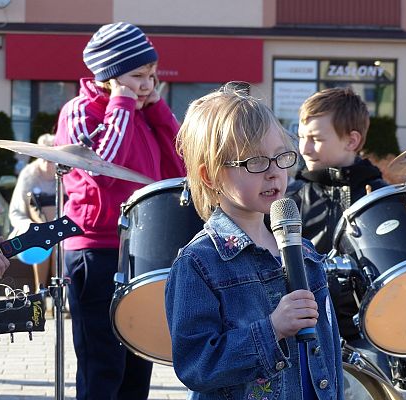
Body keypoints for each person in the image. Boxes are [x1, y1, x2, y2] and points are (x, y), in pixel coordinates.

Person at [165, 84, 344, 400]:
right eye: (255, 162)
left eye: (281, 158)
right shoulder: (200, 263)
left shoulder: (304, 252)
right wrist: (272, 328)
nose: (274, 173)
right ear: (211, 176)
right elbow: (196, 365)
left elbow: (327, 355)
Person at [54, 22, 185, 400]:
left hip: (141, 248)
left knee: (136, 362)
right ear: (110, 75)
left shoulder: (143, 113)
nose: (147, 85)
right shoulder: (80, 110)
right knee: (103, 365)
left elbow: (180, 168)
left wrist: (157, 111)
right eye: (137, 76)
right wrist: (123, 103)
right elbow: (105, 168)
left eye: (152, 76)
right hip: (96, 249)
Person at [286, 87, 389, 373]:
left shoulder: (380, 199)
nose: (304, 149)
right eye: (302, 137)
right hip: (306, 335)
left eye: (316, 139)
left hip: (369, 339)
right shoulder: (291, 200)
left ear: (352, 141)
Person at [9, 133, 56, 293]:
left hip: (61, 231)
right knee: (41, 242)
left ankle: (62, 296)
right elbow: (16, 212)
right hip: (35, 232)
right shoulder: (28, 175)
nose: (46, 163)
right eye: (42, 156)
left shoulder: (65, 173)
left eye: (51, 158)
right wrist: (31, 227)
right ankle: (40, 291)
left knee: (60, 244)